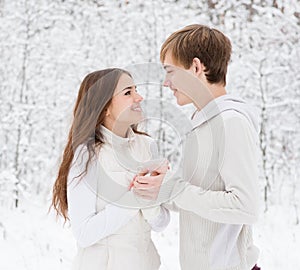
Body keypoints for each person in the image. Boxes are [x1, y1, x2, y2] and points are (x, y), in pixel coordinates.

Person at [132, 24, 261, 270]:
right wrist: (159, 187)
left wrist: (173, 188)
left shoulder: (231, 122)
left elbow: (245, 207)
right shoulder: (201, 123)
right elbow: (198, 199)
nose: (166, 83)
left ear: (196, 67)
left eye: (170, 72)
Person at [51, 68, 170, 270]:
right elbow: (84, 233)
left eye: (136, 90)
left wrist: (150, 201)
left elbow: (160, 223)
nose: (139, 98)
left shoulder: (147, 146)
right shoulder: (87, 155)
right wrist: (135, 198)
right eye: (128, 93)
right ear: (104, 107)